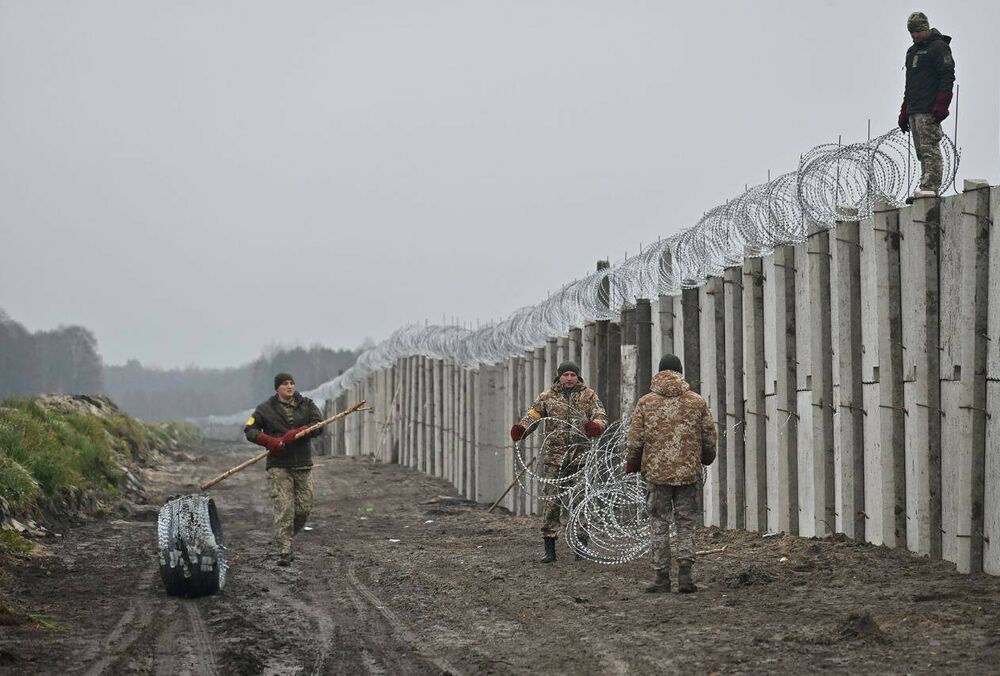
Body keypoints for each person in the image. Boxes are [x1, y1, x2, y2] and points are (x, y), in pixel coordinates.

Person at [625, 354, 716, 593]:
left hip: (656, 475)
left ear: (659, 372)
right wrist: (706, 458)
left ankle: (661, 578)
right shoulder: (697, 401)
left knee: (659, 523)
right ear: (680, 372)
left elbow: (635, 440)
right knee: (686, 524)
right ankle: (685, 576)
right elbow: (709, 435)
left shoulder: (646, 402)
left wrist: (633, 462)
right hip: (688, 474)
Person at [510, 361, 607, 563]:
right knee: (552, 503)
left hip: (580, 457)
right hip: (555, 459)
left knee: (580, 502)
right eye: (566, 375)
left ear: (577, 376)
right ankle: (550, 548)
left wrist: (595, 426)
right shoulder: (547, 397)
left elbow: (600, 415)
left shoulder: (589, 396)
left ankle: (581, 547)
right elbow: (533, 416)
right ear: (559, 377)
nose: (569, 378)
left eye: (573, 374)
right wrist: (522, 429)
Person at [244, 373, 323, 566]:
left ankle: (285, 535)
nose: (289, 386)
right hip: (279, 466)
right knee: (284, 508)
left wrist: (299, 431)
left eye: (292, 383)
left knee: (304, 508)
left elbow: (319, 425)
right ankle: (284, 551)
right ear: (277, 388)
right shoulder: (264, 409)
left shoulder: (307, 404)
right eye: (285, 384)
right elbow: (250, 430)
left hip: (303, 463)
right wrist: (269, 441)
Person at [897, 11, 955, 203]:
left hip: (929, 108)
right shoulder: (912, 52)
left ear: (925, 28)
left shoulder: (938, 47)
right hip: (915, 107)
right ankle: (925, 184)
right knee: (921, 150)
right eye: (911, 33)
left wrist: (942, 104)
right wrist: (905, 110)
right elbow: (910, 84)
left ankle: (931, 186)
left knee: (930, 147)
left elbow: (947, 76)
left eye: (917, 31)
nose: (914, 36)